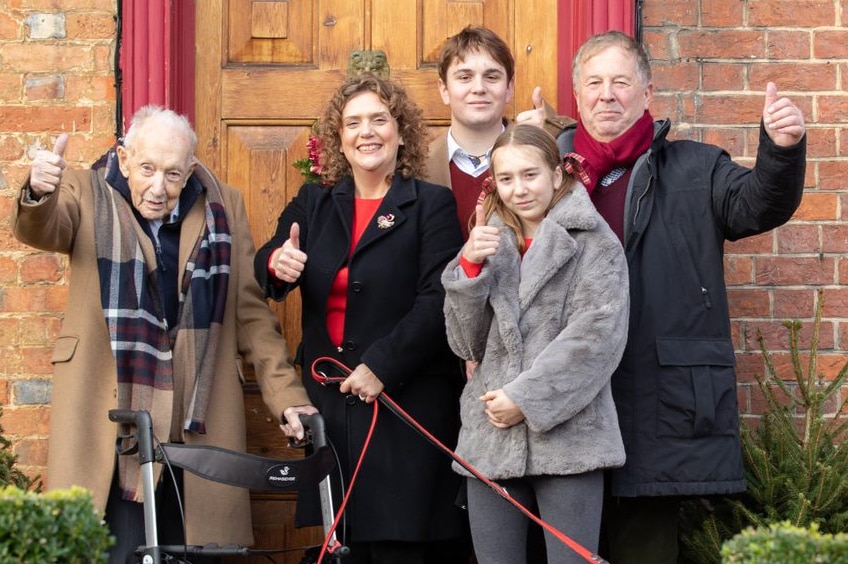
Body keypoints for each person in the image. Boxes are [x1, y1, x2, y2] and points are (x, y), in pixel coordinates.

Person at [13, 106, 317, 564]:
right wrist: (39, 191)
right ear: (124, 157)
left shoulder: (224, 204)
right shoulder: (81, 189)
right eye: (148, 169)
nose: (159, 188)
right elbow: (45, 229)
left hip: (198, 417)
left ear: (190, 169)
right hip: (111, 415)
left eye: (173, 174)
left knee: (199, 549)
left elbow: (251, 314)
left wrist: (287, 397)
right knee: (113, 551)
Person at [555, 31, 807, 563]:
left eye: (621, 82)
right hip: (564, 406)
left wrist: (780, 151)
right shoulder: (549, 175)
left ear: (647, 93)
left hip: (654, 405)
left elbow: (756, 205)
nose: (607, 95)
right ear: (576, 97)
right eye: (594, 83)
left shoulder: (697, 168)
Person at [253, 74, 468, 564]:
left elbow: (439, 300)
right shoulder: (315, 203)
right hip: (333, 413)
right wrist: (275, 263)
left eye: (379, 119)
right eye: (353, 123)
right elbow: (270, 257)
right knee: (338, 545)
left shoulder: (430, 205)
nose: (366, 132)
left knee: (402, 550)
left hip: (405, 412)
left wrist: (382, 366)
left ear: (400, 131)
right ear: (339, 138)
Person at [441, 123, 629, 564]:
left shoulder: (595, 244)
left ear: (558, 174)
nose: (519, 189)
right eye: (506, 179)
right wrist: (468, 270)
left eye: (530, 174)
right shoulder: (487, 242)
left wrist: (524, 398)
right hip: (491, 437)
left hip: (569, 439)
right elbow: (465, 344)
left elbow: (595, 339)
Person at [425, 26, 572, 241]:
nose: (478, 88)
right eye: (464, 77)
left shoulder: (545, 149)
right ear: (444, 90)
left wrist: (553, 126)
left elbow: (595, 137)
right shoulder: (419, 165)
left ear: (509, 88)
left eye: (491, 77)